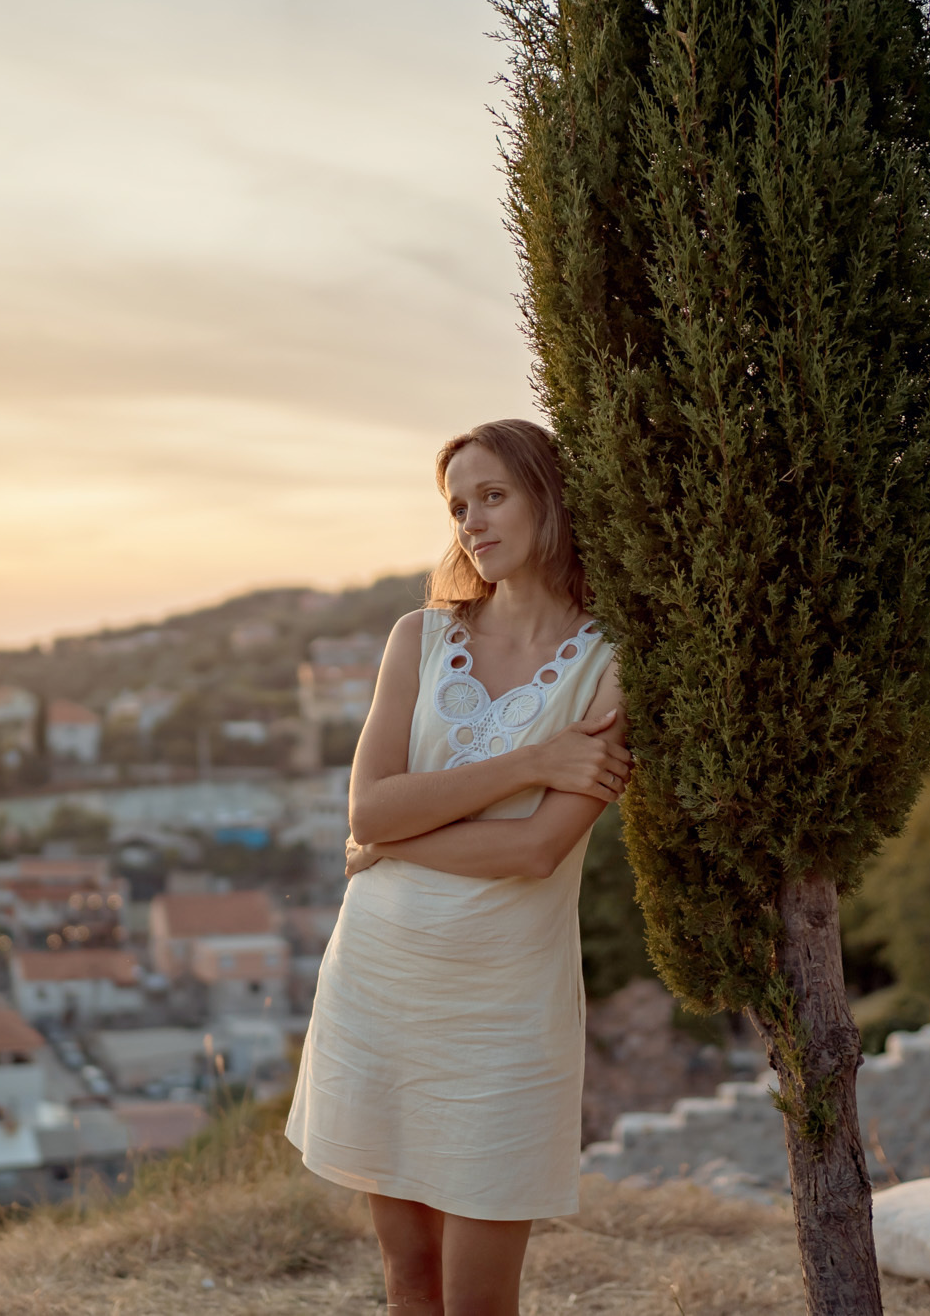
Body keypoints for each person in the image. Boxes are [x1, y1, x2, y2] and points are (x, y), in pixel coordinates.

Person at [285, 418, 630, 1315]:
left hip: (504, 1010)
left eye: (493, 495)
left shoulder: (613, 662)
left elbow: (533, 849)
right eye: (458, 505)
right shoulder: (419, 636)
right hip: (381, 981)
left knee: (479, 1301)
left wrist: (394, 838)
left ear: (548, 496)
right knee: (410, 1276)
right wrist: (528, 763)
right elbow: (368, 806)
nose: (471, 521)